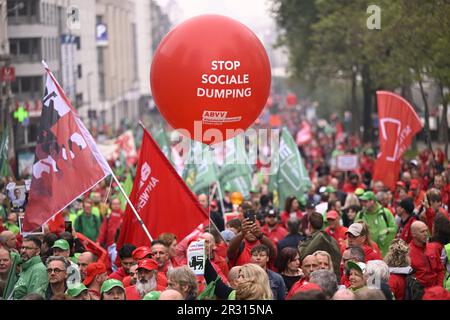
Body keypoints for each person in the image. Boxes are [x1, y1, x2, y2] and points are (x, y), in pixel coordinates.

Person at [298, 212, 342, 279]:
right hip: (333, 279)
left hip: (313, 279)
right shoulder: (332, 240)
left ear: (309, 225)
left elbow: (300, 258)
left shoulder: (308, 242)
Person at [356, 191, 397, 256]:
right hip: (366, 253)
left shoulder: (385, 213)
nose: (363, 204)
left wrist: (386, 232)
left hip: (384, 253)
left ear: (372, 201)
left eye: (365, 201)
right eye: (362, 201)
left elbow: (394, 228)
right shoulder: (360, 215)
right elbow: (355, 231)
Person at [204, 260, 273, 300]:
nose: (237, 280)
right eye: (238, 276)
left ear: (254, 279)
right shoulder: (234, 295)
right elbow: (217, 284)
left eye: (242, 276)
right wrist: (202, 255)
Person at [409, 221, 445, 288]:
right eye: (422, 232)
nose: (426, 234)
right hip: (420, 293)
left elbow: (440, 269)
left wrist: (439, 287)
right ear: (413, 234)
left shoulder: (433, 247)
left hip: (436, 290)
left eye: (426, 230)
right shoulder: (408, 253)